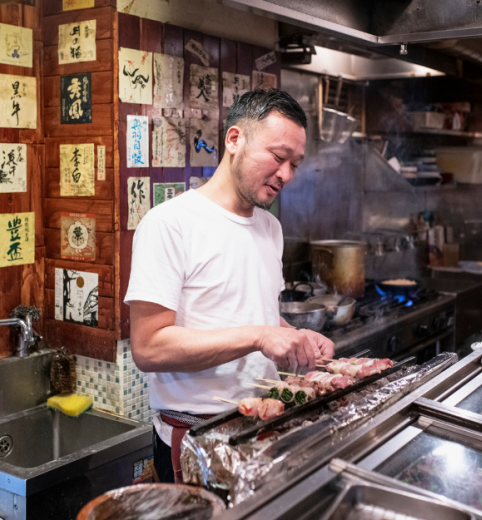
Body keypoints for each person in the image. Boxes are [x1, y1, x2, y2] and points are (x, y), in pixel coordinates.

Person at [125, 89, 335, 483]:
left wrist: (295, 338)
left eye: (295, 164)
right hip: (196, 439)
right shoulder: (169, 223)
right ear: (234, 140)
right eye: (278, 157)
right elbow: (148, 347)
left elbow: (257, 317)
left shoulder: (270, 227)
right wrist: (259, 336)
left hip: (263, 426)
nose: (286, 175)